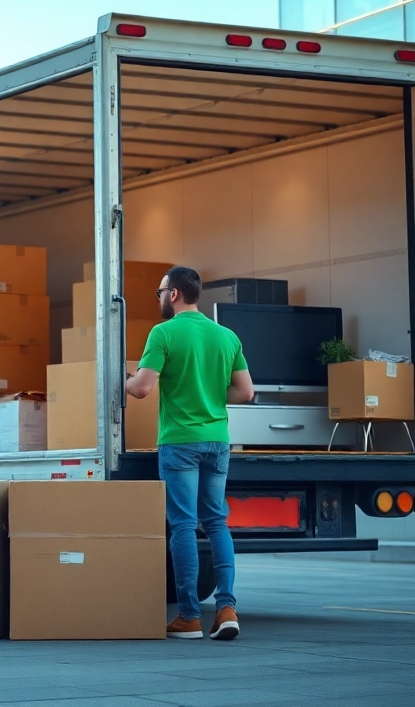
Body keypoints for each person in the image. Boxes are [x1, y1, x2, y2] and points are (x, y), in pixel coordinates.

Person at [126, 266, 254, 641]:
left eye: (160, 292)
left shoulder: (163, 333)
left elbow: (142, 389)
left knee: (183, 525)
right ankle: (227, 608)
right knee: (216, 522)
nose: (159, 298)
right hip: (217, 441)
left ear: (175, 294)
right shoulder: (226, 336)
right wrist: (212, 396)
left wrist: (126, 378)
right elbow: (246, 392)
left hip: (179, 442)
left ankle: (189, 617)